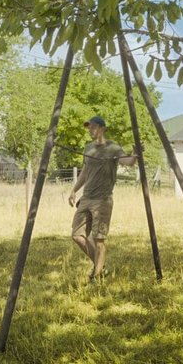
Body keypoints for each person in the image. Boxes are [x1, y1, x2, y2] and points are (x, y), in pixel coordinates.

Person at [68, 116, 137, 284]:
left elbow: (127, 162)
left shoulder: (112, 148)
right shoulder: (88, 148)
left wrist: (135, 154)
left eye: (94, 127)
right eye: (89, 127)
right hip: (86, 197)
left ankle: (97, 278)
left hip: (102, 200)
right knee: (77, 235)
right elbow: (85, 172)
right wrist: (74, 190)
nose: (91, 130)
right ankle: (101, 267)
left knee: (99, 239)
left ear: (103, 129)